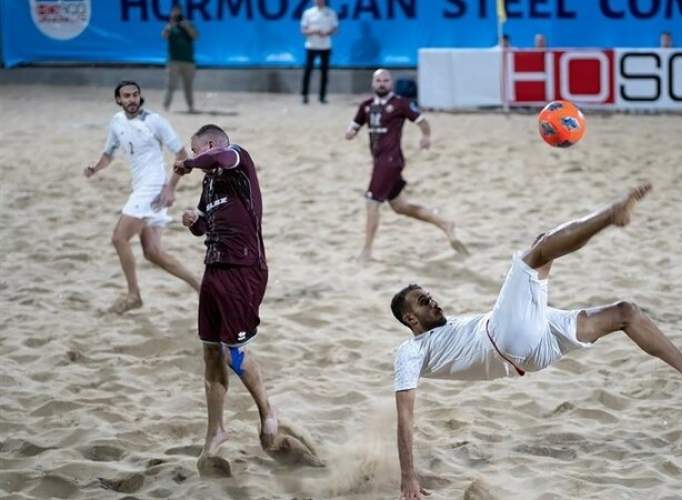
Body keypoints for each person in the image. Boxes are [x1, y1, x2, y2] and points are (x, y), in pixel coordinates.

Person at [390, 184, 682, 499]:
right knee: (539, 252)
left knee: (625, 313)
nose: (433, 301)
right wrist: (409, 478)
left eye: (430, 296)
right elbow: (405, 415)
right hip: (503, 338)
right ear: (410, 319)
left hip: (532, 352)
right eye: (423, 302)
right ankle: (611, 215)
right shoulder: (411, 351)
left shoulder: (449, 330)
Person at [175, 124, 321, 469]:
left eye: (197, 151)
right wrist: (195, 220)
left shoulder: (238, 159)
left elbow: (219, 156)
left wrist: (190, 162)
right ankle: (216, 432)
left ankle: (269, 414)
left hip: (243, 268)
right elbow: (205, 226)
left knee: (233, 352)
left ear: (208, 145)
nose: (195, 157)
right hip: (214, 268)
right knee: (211, 351)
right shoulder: (209, 181)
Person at [84, 81, 200, 313]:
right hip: (141, 189)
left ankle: (133, 294)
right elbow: (109, 153)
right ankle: (202, 287)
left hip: (153, 188)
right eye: (126, 96)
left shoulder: (154, 121)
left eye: (135, 95)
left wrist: (170, 188)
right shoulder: (117, 122)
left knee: (119, 238)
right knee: (153, 253)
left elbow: (182, 155)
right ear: (118, 100)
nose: (132, 99)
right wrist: (96, 167)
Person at [345, 69, 467, 262]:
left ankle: (366, 252)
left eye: (386, 80)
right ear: (373, 83)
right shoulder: (366, 106)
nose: (382, 83)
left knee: (372, 202)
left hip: (391, 161)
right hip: (379, 161)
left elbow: (422, 120)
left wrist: (425, 136)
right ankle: (445, 224)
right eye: (379, 81)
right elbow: (353, 127)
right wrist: (350, 133)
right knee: (401, 206)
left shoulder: (400, 103)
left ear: (391, 84)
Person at [300, 0, 339, 104]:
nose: (319, 1)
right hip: (311, 46)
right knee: (308, 71)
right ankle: (305, 95)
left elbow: (335, 29)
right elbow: (303, 30)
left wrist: (327, 32)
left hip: (325, 46)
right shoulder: (308, 13)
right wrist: (313, 31)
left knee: (324, 72)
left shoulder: (331, 13)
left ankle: (322, 96)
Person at [162, 3, 197, 113]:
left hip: (188, 61)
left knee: (188, 86)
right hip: (174, 61)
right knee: (171, 85)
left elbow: (195, 36)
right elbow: (164, 36)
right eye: (174, 11)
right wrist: (171, 25)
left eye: (178, 11)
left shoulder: (188, 25)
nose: (177, 13)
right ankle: (166, 106)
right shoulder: (170, 26)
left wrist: (186, 26)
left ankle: (190, 106)